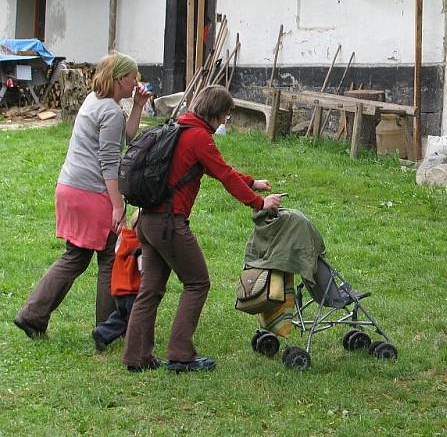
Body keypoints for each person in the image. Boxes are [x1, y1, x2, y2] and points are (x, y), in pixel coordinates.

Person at [122, 85, 281, 373]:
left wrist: (251, 181)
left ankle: (136, 356)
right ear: (216, 113)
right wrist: (259, 203)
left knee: (151, 289)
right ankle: (181, 354)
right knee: (197, 283)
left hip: (147, 221)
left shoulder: (178, 128)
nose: (224, 121)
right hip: (169, 224)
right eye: (225, 115)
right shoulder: (199, 138)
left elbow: (220, 169)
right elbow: (224, 176)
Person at [14, 53, 151, 339]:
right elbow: (109, 162)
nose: (136, 82)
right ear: (119, 79)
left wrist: (137, 106)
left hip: (70, 187)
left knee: (75, 257)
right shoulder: (110, 111)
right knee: (108, 258)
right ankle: (107, 328)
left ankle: (32, 315)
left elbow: (126, 137)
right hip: (92, 193)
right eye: (133, 77)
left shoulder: (96, 101)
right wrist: (117, 206)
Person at [92, 212, 143, 351]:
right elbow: (143, 270)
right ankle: (136, 345)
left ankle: (102, 333)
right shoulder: (139, 248)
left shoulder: (123, 240)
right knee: (137, 318)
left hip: (118, 291)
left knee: (121, 316)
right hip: (132, 291)